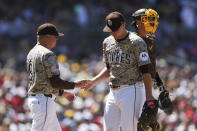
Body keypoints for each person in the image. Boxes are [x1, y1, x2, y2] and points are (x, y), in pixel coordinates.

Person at [83, 11, 158, 131]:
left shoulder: (137, 42)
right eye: (110, 30)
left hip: (131, 90)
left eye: (115, 29)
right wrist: (93, 81)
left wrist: (149, 97)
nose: (112, 32)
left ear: (123, 24)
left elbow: (146, 70)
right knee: (110, 128)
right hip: (112, 91)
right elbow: (109, 69)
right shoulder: (107, 42)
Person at [26, 23, 88, 131]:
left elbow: (42, 81)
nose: (56, 40)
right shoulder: (47, 54)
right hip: (43, 101)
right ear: (47, 37)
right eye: (55, 37)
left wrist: (62, 93)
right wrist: (76, 84)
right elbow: (55, 82)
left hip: (37, 98)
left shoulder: (31, 53)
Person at [130, 8, 173, 130]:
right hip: (134, 87)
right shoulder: (131, 41)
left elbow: (151, 67)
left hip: (147, 86)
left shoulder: (150, 40)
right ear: (138, 22)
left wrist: (161, 86)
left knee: (152, 124)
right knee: (137, 125)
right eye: (149, 19)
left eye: (153, 20)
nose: (152, 22)